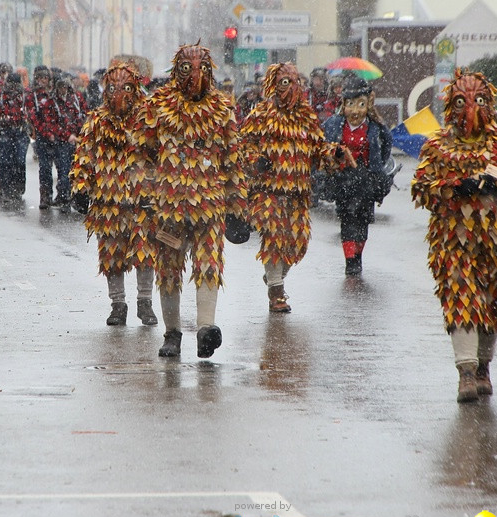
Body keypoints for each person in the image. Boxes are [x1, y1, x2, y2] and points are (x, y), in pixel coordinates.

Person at [411, 69, 497, 403]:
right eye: (464, 101)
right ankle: (466, 373)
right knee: (461, 299)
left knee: (492, 304)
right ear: (452, 105)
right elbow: (422, 188)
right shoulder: (437, 146)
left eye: (480, 100)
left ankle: (483, 366)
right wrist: (455, 187)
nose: (472, 108)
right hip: (454, 239)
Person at [129, 42, 246, 358]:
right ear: (175, 71)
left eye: (201, 69)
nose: (194, 76)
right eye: (186, 69)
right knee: (168, 268)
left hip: (210, 204)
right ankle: (172, 333)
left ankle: (206, 328)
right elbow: (141, 153)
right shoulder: (158, 106)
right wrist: (144, 193)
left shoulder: (222, 109)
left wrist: (237, 206)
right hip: (168, 206)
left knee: (209, 264)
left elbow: (232, 158)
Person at [239, 62, 350, 312]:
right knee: (274, 240)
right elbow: (244, 145)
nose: (291, 88)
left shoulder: (306, 117)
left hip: (298, 192)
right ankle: (276, 292)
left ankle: (274, 276)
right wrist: (256, 160)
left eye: (295, 82)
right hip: (269, 191)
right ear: (274, 85)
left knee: (298, 243)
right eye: (285, 82)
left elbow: (318, 148)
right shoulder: (261, 114)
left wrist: (336, 153)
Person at [69, 60, 158, 327]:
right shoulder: (97, 121)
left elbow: (161, 154)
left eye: (126, 88)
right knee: (112, 254)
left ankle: (145, 301)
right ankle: (117, 304)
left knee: (145, 251)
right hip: (108, 201)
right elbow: (84, 156)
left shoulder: (148, 119)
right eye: (113, 88)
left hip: (142, 200)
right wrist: (81, 188)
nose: (119, 94)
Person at [323, 75, 395, 276]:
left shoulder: (376, 128)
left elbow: (385, 148)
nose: (355, 111)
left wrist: (376, 166)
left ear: (368, 104)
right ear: (344, 105)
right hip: (343, 179)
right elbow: (322, 146)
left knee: (363, 220)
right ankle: (350, 260)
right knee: (346, 219)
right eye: (351, 105)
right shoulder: (334, 125)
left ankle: (358, 254)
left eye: (360, 104)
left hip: (366, 180)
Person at [0, 66, 30, 203]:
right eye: (12, 85)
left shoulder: (24, 96)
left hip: (20, 132)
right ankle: (3, 188)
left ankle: (17, 188)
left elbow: (32, 111)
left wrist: (28, 124)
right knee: (4, 161)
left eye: (16, 85)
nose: (14, 89)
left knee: (20, 160)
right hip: (3, 132)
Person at [25, 65, 63, 209]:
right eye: (40, 78)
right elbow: (33, 117)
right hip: (42, 136)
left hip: (58, 136)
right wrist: (47, 133)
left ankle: (61, 196)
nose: (42, 80)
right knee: (45, 168)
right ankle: (45, 196)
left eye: (45, 78)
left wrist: (57, 132)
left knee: (61, 167)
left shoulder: (54, 93)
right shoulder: (33, 95)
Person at [52, 70, 88, 211]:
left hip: (78, 140)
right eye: (60, 87)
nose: (63, 90)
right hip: (62, 141)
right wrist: (67, 135)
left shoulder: (76, 98)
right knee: (64, 171)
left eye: (65, 87)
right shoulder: (53, 101)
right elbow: (53, 123)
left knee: (78, 171)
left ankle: (76, 199)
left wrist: (80, 132)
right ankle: (65, 198)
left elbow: (84, 114)